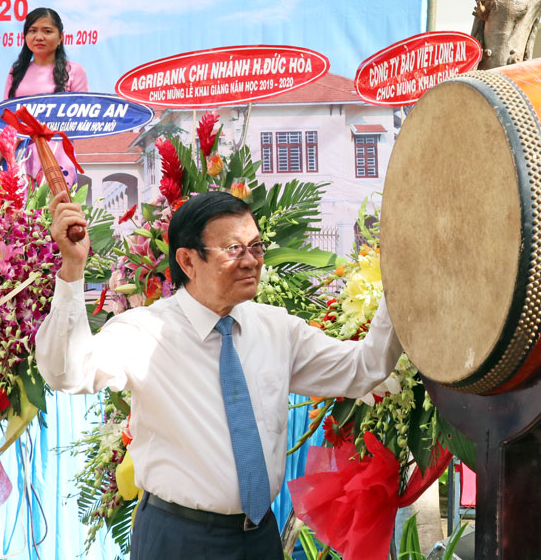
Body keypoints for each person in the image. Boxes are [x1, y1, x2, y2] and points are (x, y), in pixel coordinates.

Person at [37, 191, 402, 559]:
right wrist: (72, 270)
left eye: (256, 247)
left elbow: (364, 368)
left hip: (260, 538)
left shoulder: (277, 329)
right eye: (234, 249)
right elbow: (68, 371)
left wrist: (402, 281)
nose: (251, 261)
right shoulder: (144, 332)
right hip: (178, 541)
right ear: (188, 260)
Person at [0, 7, 88, 182]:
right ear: (25, 37)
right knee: (18, 207)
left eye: (47, 31)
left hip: (58, 155)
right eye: (33, 31)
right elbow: (6, 122)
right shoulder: (16, 72)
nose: (39, 37)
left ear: (61, 37)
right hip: (20, 156)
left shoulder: (74, 71)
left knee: (55, 207)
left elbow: (82, 117)